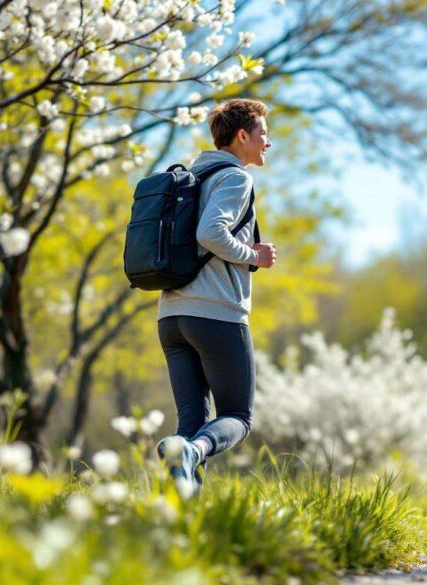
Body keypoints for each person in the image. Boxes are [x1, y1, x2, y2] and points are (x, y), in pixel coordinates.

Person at [154, 98, 277, 496]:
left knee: (189, 425)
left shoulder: (192, 175)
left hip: (171, 316)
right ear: (242, 136)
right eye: (262, 134)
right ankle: (192, 453)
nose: (267, 142)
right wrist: (253, 256)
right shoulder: (236, 178)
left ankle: (184, 511)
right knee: (238, 418)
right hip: (216, 314)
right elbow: (211, 232)